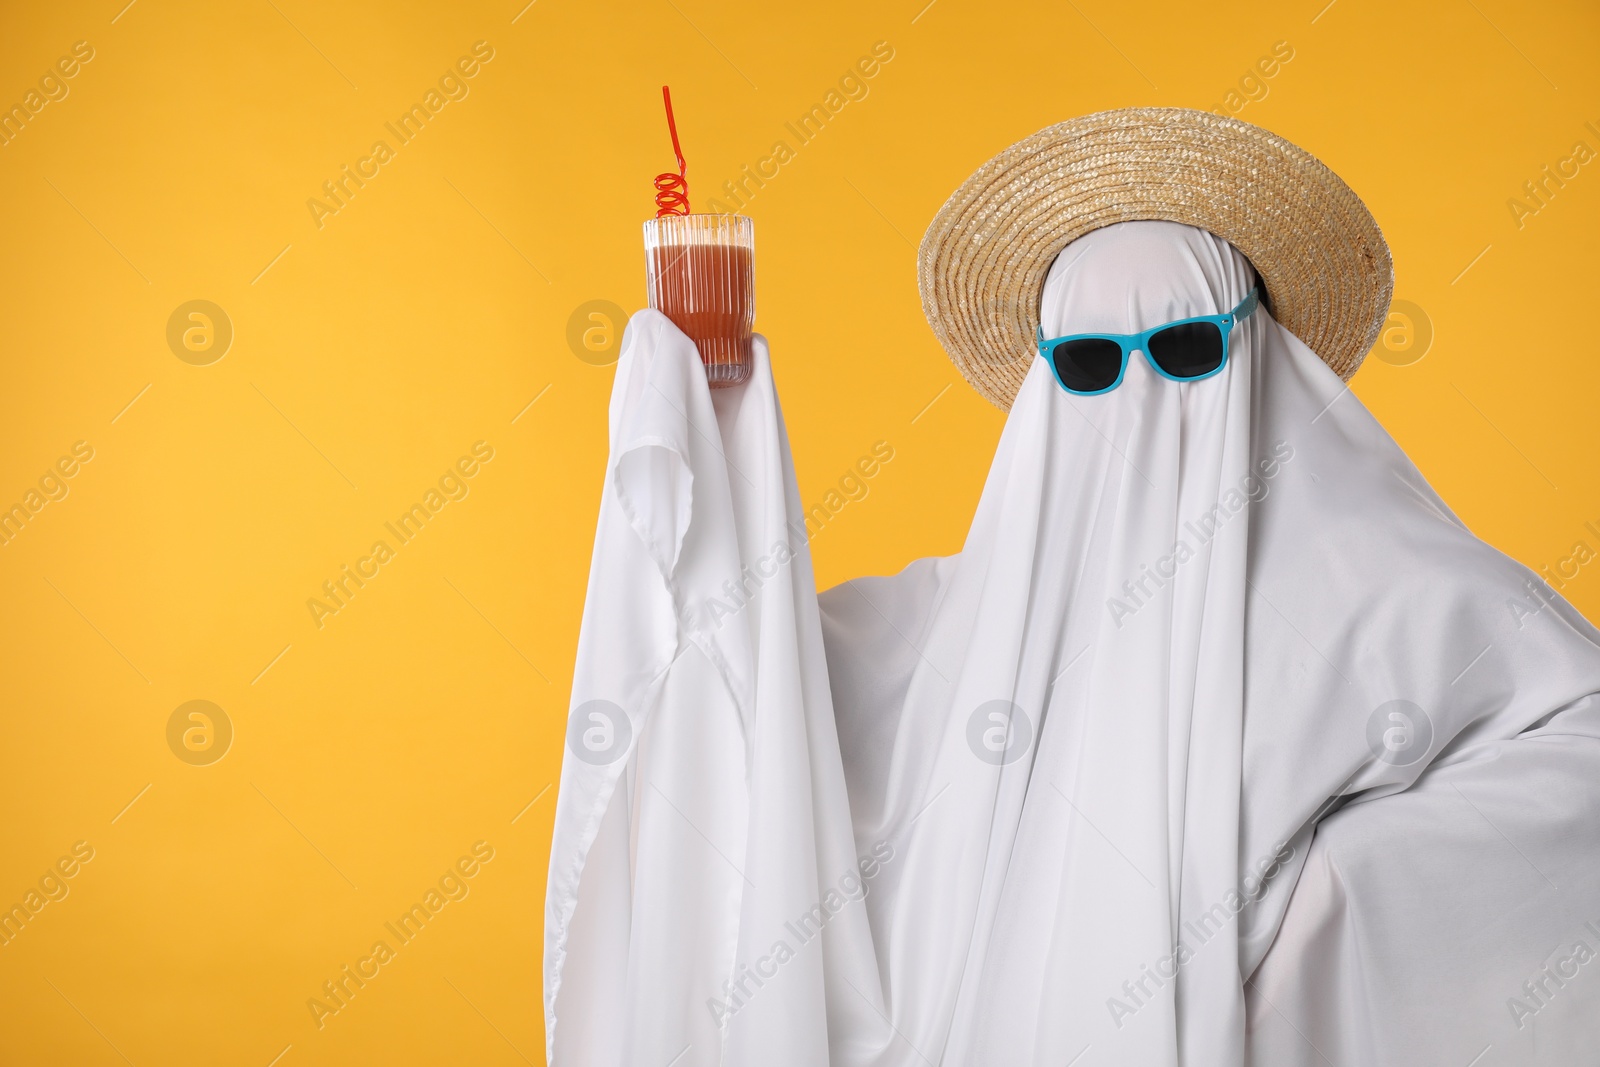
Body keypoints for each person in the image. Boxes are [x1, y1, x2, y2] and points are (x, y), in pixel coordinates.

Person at [545, 108, 1600, 1066]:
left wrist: (1347, 887)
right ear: (1047, 387)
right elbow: (753, 699)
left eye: (1185, 349)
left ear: (1260, 357)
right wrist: (710, 426)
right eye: (1090, 365)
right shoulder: (961, 628)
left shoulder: (1393, 590)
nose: (1136, 393)